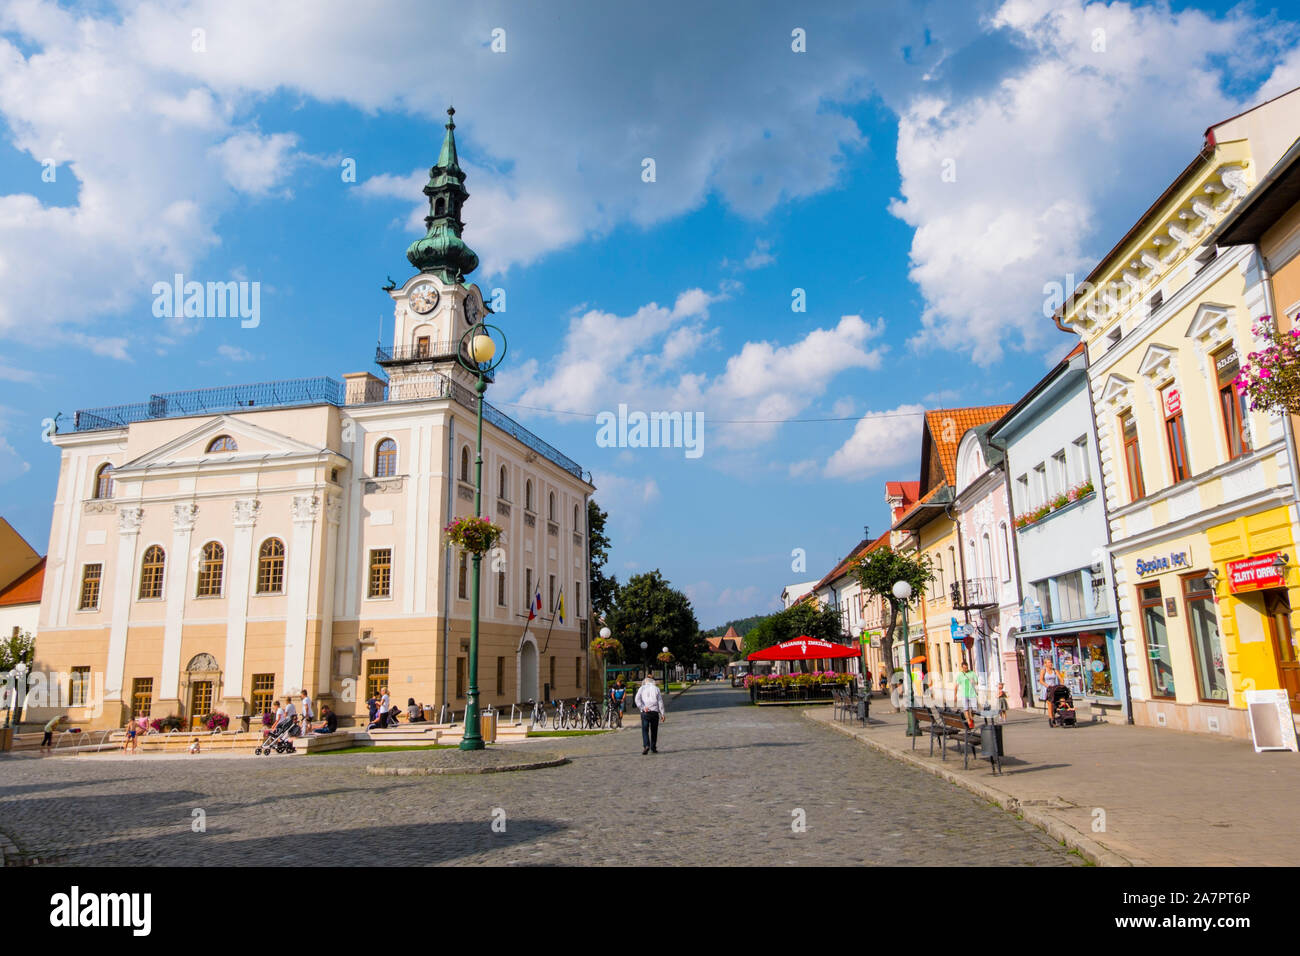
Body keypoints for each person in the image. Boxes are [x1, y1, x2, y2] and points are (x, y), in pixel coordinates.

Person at [634, 675, 666, 755]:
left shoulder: (641, 688)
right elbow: (660, 702)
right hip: (654, 712)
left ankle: (646, 745)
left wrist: (642, 707)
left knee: (645, 730)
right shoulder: (656, 689)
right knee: (654, 730)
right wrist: (662, 713)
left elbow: (637, 699)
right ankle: (653, 747)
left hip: (645, 712)